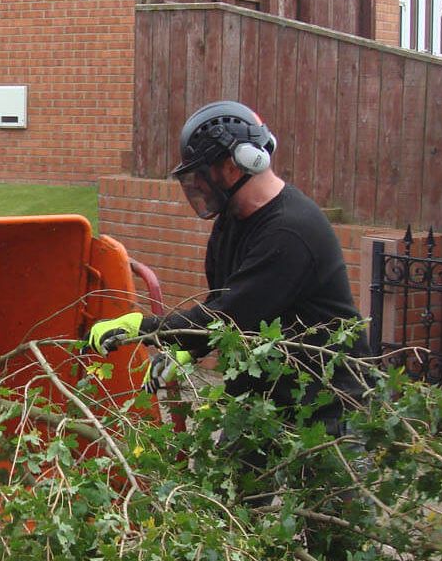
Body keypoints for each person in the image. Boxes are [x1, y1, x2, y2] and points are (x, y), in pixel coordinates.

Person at [89, 100, 370, 425]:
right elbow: (223, 301)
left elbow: (228, 318)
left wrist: (139, 327)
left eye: (203, 174)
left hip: (328, 410)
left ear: (234, 166)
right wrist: (185, 350)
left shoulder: (290, 232)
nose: (198, 186)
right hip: (264, 405)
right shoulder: (232, 221)